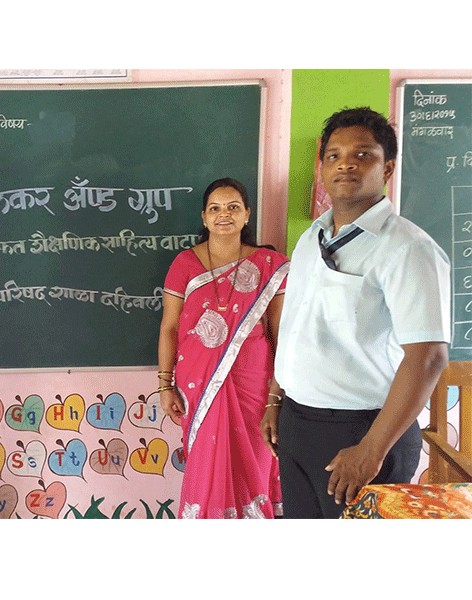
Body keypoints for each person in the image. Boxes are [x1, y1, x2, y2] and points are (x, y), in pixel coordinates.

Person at [262, 107, 451, 519]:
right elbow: (295, 324)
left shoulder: (407, 249)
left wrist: (371, 449)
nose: (345, 163)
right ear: (322, 167)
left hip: (363, 432)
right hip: (297, 423)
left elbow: (429, 356)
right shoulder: (313, 237)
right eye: (334, 155)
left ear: (388, 168)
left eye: (363, 154)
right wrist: (276, 398)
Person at [158, 177, 289, 519]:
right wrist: (164, 384)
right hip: (197, 384)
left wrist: (278, 394)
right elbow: (169, 328)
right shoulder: (185, 264)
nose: (224, 215)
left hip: (255, 386)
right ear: (204, 217)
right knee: (205, 466)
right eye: (215, 208)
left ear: (247, 214)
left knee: (256, 464)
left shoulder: (269, 266)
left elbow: (281, 334)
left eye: (233, 207)